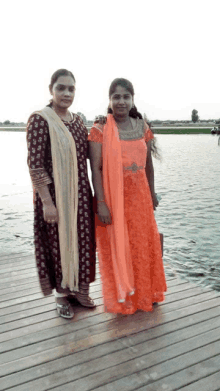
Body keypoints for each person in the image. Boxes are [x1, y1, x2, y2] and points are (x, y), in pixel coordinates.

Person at [88, 78, 167, 314]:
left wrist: (152, 193)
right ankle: (125, 298)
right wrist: (100, 202)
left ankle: (145, 293)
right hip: (114, 199)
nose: (121, 101)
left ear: (132, 99)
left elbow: (149, 166)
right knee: (119, 245)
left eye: (125, 96)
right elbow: (96, 170)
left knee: (143, 244)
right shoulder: (100, 128)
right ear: (109, 101)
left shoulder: (142, 125)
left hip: (140, 197)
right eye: (116, 97)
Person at [26, 69, 96, 319]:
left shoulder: (78, 122)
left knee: (82, 241)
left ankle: (78, 290)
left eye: (71, 89)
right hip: (54, 197)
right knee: (57, 243)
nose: (66, 93)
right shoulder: (41, 119)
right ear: (51, 89)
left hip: (80, 196)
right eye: (61, 88)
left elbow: (90, 155)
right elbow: (35, 165)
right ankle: (60, 296)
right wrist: (47, 202)